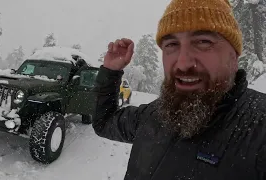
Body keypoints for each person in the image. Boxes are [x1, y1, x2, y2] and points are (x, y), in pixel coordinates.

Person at [92, 0, 266, 179]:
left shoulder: (259, 131)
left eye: (203, 41)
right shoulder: (154, 114)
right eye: (172, 45)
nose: (183, 63)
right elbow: (104, 123)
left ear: (234, 56)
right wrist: (111, 72)